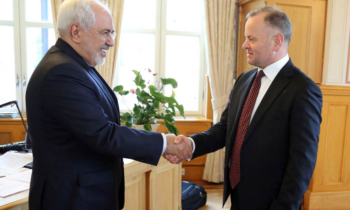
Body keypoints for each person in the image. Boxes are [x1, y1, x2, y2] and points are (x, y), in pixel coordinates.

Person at [26, 0, 192, 209]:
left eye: (112, 33)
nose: (111, 42)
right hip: (72, 200)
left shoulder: (78, 65)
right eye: (105, 33)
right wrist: (163, 143)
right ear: (76, 32)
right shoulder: (62, 72)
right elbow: (103, 134)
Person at [167, 6, 322, 210]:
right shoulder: (244, 80)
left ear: (277, 41)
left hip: (271, 203)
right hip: (237, 196)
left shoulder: (303, 90)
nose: (244, 45)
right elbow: (225, 129)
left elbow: (302, 164)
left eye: (252, 39)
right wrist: (191, 144)